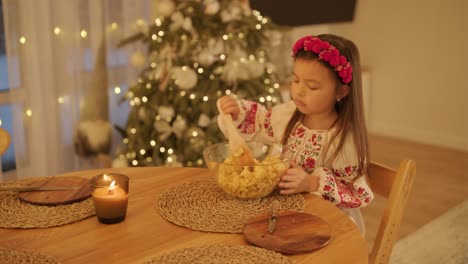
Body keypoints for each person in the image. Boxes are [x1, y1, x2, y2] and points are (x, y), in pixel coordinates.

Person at [217, 34, 374, 234]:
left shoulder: (344, 140)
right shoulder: (288, 115)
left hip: (326, 224)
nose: (299, 91)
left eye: (312, 86)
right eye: (296, 80)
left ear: (341, 92)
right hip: (282, 213)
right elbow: (260, 121)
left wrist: (312, 183)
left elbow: (356, 193)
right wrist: (238, 113)